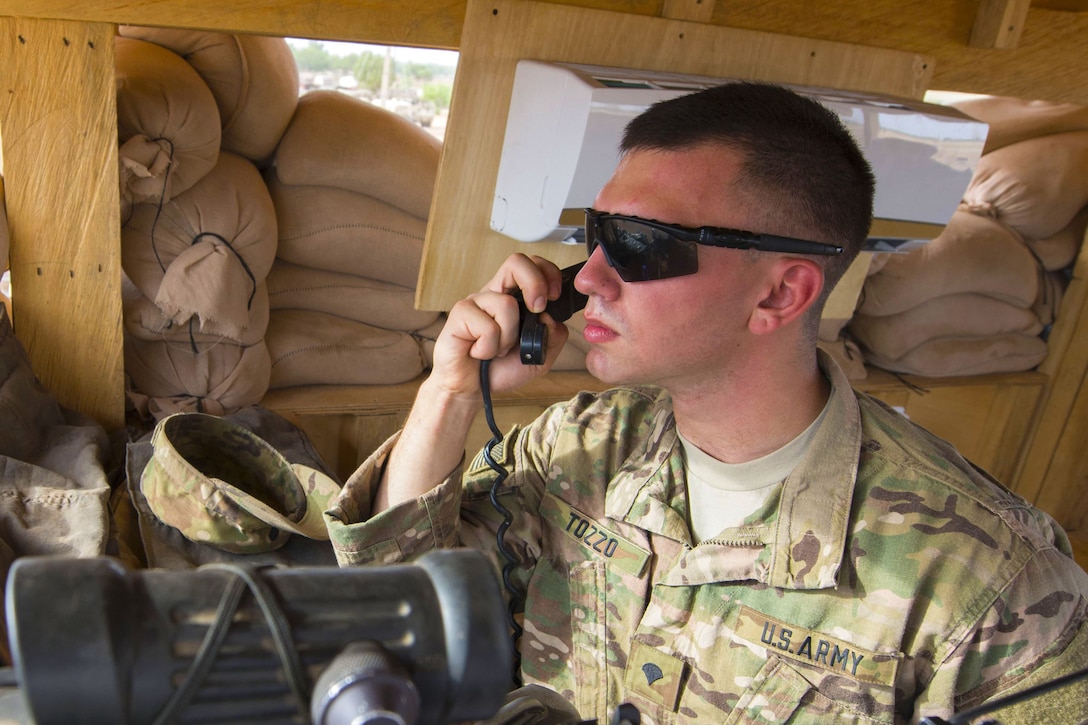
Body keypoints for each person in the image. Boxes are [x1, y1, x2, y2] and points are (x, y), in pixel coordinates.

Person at [325, 82, 1088, 724]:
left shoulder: (989, 587)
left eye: (638, 242)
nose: (588, 276)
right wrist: (450, 392)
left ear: (781, 292)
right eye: (593, 233)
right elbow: (399, 598)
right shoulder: (579, 446)